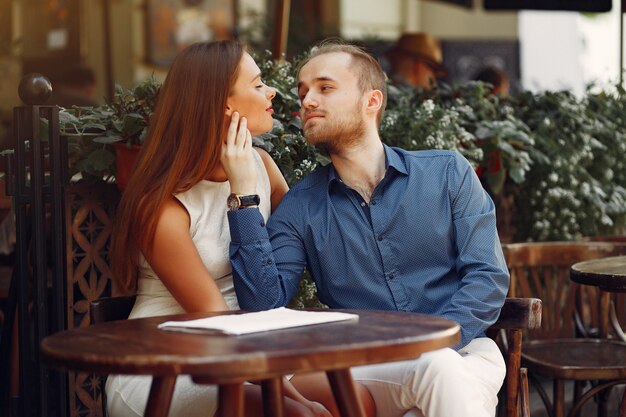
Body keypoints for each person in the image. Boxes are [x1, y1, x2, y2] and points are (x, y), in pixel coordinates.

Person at [224, 41, 510, 417]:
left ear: (371, 101)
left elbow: (487, 277)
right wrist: (244, 197)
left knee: (439, 369)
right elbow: (263, 307)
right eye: (303, 91)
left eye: (325, 88)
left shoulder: (447, 174)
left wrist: (432, 344)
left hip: (467, 349)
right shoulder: (300, 206)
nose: (308, 100)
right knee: (438, 373)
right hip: (366, 365)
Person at [108, 40, 375, 417]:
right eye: (258, 84)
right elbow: (218, 321)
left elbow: (314, 243)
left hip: (253, 351)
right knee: (300, 414)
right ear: (224, 104)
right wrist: (299, 400)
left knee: (356, 401)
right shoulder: (162, 206)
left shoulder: (261, 165)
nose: (273, 92)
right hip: (169, 365)